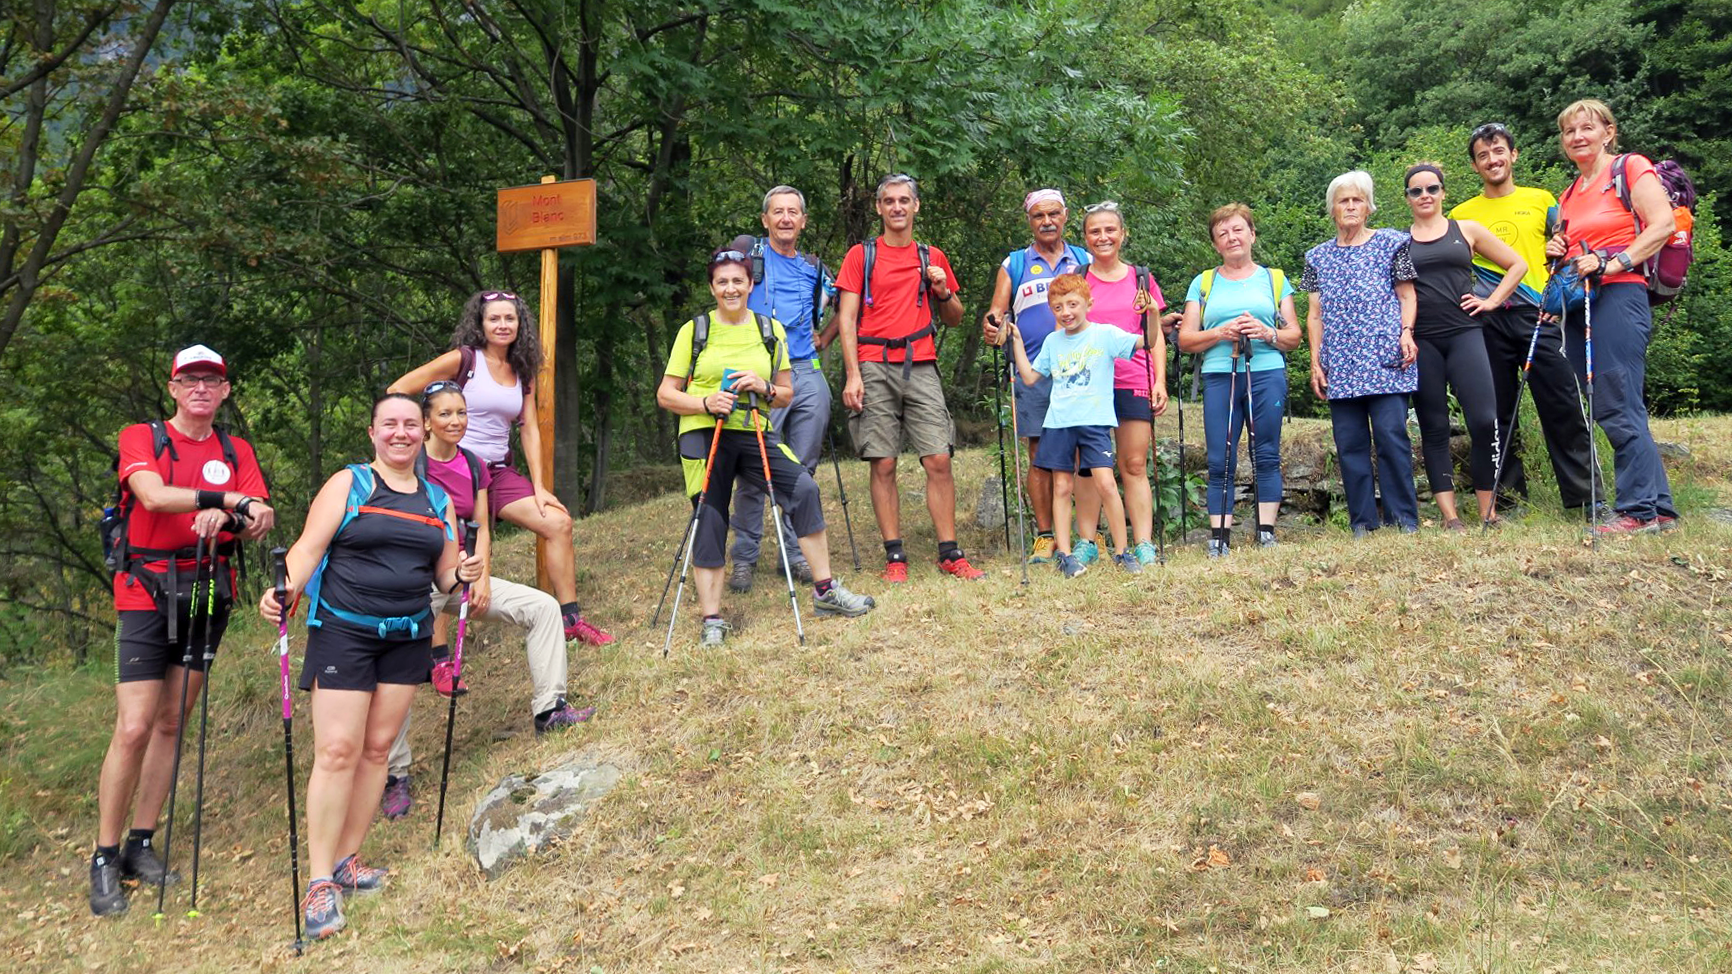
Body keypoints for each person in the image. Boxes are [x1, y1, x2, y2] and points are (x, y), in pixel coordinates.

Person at [260, 393, 482, 940]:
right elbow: (308, 550)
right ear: (373, 432)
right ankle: (318, 882)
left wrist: (465, 574)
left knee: (378, 750)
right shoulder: (349, 484)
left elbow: (445, 576)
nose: (402, 433)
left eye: (411, 424)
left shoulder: (436, 498)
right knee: (337, 751)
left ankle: (348, 861)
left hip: (406, 636)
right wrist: (282, 590)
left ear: (424, 430)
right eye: (391, 424)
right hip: (343, 635)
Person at [90, 345, 275, 917]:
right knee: (135, 723)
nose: (200, 388)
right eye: (189, 379)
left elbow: (259, 520)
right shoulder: (142, 437)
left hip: (207, 588)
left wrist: (236, 516)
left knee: (173, 721)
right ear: (173, 388)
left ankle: (141, 844)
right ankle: (103, 855)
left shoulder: (233, 448)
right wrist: (225, 499)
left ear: (224, 392)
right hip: (144, 590)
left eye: (211, 380)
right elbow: (150, 495)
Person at [379, 382, 596, 820]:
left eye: (461, 413)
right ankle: (394, 775)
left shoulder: (475, 465)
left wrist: (478, 578)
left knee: (541, 608)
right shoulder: (410, 464)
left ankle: (550, 710)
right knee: (398, 663)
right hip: (413, 583)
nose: (456, 421)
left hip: (463, 575)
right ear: (426, 423)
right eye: (445, 414)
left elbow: (481, 526)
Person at [657, 246, 876, 647]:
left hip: (753, 429)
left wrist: (765, 387)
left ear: (750, 284)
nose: (730, 288)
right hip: (704, 431)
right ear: (712, 287)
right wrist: (705, 402)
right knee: (710, 515)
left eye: (737, 280)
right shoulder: (695, 330)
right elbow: (666, 395)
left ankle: (825, 591)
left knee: (803, 488)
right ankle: (712, 619)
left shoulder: (767, 330)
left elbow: (786, 393)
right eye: (722, 282)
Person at [389, 291, 614, 645]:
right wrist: (418, 441)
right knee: (450, 550)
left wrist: (538, 485)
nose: (502, 325)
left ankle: (570, 619)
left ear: (520, 323)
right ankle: (439, 656)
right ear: (480, 324)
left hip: (497, 471)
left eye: (510, 318)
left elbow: (529, 426)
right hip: (454, 471)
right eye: (494, 318)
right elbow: (399, 388)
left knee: (558, 523)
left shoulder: (522, 368)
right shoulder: (464, 360)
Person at [835, 173, 982, 582]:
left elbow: (955, 317)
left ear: (916, 206)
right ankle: (895, 557)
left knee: (938, 457)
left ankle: (950, 552)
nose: (897, 207)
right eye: (889, 201)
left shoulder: (930, 256)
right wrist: (852, 375)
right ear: (879, 208)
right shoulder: (859, 256)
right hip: (873, 362)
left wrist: (942, 290)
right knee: (882, 461)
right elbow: (846, 318)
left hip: (920, 363)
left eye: (904, 200)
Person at [1450, 122, 1598, 514]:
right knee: (1495, 413)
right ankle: (1510, 500)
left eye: (1498, 151)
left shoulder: (1543, 198)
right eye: (1483, 155)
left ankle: (1585, 500)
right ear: (1475, 166)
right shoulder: (1461, 213)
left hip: (1539, 313)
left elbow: (1566, 251)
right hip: (1485, 318)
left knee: (1562, 405)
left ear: (1513, 155)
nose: (1492, 160)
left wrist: (1558, 253)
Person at [1547, 98, 1679, 534]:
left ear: (1608, 131)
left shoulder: (1629, 168)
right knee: (1621, 404)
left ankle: (1636, 511)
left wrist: (1613, 262)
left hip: (1620, 296)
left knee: (1615, 402)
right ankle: (1658, 508)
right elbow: (1576, 254)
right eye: (1569, 132)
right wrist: (1559, 255)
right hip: (1582, 303)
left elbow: (1662, 224)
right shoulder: (1569, 193)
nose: (1578, 137)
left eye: (1587, 127)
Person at [1402, 162, 1529, 530]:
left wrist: (1491, 301)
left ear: (1443, 192)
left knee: (1485, 419)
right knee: (1434, 425)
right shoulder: (1398, 242)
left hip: (1466, 334)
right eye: (1416, 191)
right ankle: (1450, 517)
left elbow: (1517, 264)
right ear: (1408, 198)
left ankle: (1489, 512)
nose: (1425, 196)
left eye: (1431, 188)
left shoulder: (1466, 230)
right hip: (1423, 340)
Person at [724, 187, 835, 593]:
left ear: (803, 221)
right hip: (756, 368)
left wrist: (826, 336)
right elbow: (724, 290)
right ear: (765, 219)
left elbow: (845, 304)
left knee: (801, 469)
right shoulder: (747, 256)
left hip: (804, 370)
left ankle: (795, 554)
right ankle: (744, 559)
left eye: (793, 212)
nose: (786, 218)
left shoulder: (814, 267)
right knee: (753, 469)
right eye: (778, 212)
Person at [1301, 171, 1422, 537]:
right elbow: (1315, 314)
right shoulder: (1317, 257)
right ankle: (1362, 524)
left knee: (1391, 437)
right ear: (1332, 210)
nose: (1350, 206)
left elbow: (1407, 295)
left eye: (1357, 200)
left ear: (1369, 207)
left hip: (1385, 358)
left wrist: (1407, 333)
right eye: (1343, 200)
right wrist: (1315, 361)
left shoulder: (1392, 243)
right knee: (1350, 445)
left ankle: (1404, 520)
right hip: (1340, 363)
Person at [1178, 203, 1302, 555]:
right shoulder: (1203, 282)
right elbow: (1186, 340)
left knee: (1266, 452)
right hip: (1220, 375)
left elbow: (1293, 335)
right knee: (1221, 456)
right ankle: (1219, 538)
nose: (1231, 238)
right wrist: (1220, 332)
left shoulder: (1274, 279)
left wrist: (1266, 332)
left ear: (1252, 235)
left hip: (1266, 373)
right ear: (1215, 244)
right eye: (1223, 233)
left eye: (1237, 230)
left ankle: (1266, 533)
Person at [1004, 274, 1148, 576]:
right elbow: (1030, 377)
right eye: (1058, 307)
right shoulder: (1052, 342)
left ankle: (1123, 552)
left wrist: (1153, 314)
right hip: (1059, 424)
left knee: (1107, 484)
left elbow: (1148, 341)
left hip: (1095, 423)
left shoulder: (1105, 335)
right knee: (1062, 486)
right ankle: (1066, 556)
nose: (1066, 312)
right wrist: (1016, 341)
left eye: (1072, 304)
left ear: (1088, 304)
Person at [982, 189, 1092, 565]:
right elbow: (998, 313)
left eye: (1053, 214)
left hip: (1081, 369)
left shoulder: (1083, 259)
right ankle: (1046, 535)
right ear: (1029, 220)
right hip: (1032, 371)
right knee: (1039, 454)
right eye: (1038, 215)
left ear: (1066, 216)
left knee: (1083, 453)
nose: (1047, 221)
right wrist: (993, 326)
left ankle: (1085, 535)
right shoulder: (1014, 263)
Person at [1074, 201, 1178, 565]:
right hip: (1088, 385)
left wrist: (1160, 381)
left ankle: (1144, 542)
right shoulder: (1078, 278)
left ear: (1123, 234)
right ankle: (1087, 539)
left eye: (1109, 230)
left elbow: (1155, 336)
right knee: (1088, 464)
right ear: (1085, 237)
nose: (1103, 237)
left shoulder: (1141, 278)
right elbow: (1065, 331)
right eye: (1094, 231)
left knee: (1133, 464)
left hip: (1134, 378)